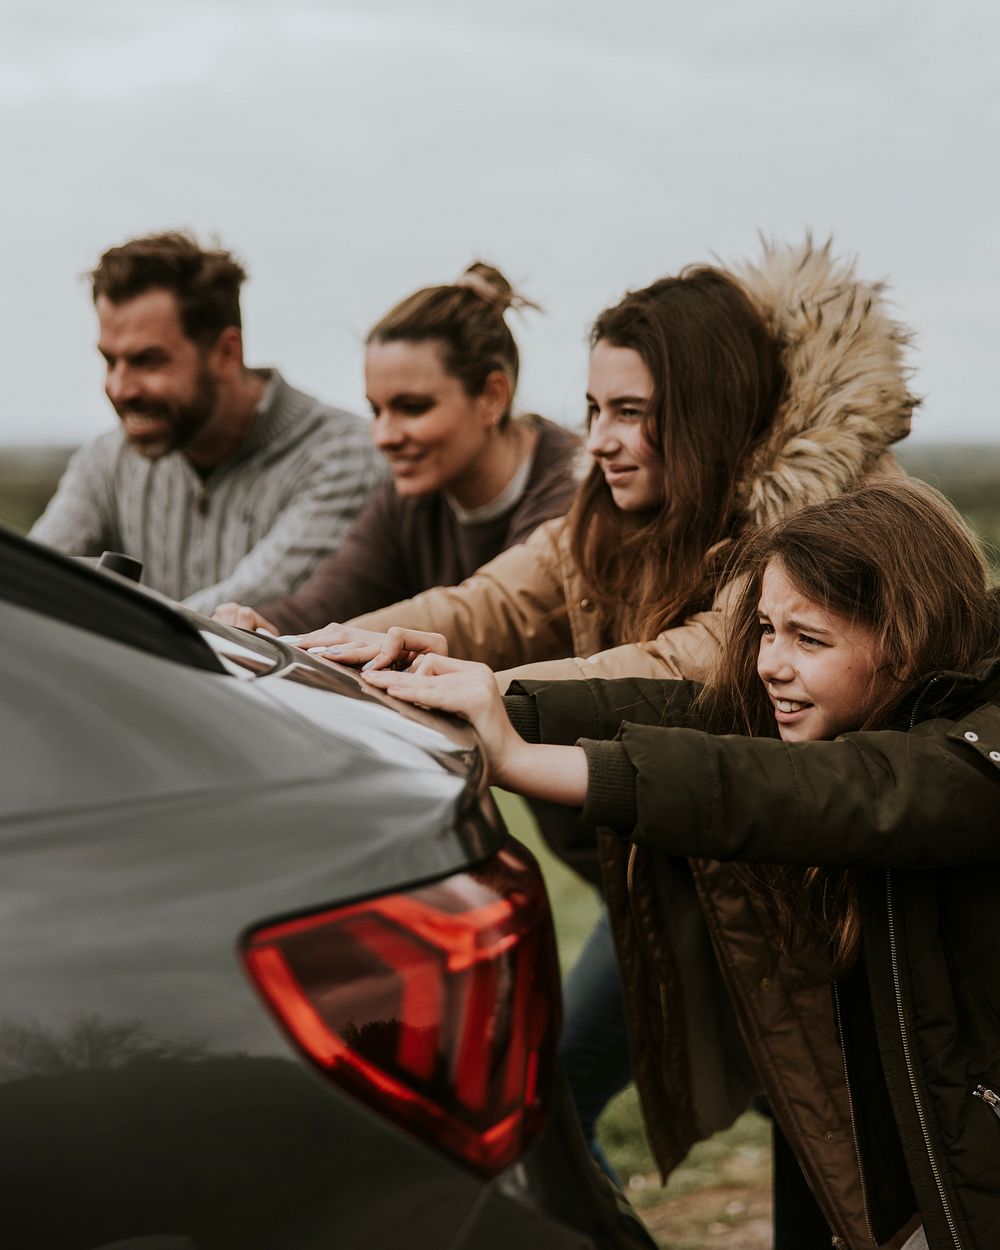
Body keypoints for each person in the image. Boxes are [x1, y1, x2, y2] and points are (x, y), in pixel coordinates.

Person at [284, 239, 918, 1176]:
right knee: (556, 1097)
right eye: (592, 410)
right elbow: (485, 604)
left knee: (853, 1165)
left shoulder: (825, 527)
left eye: (631, 412)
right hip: (690, 884)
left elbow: (700, 662)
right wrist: (315, 651)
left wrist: (486, 696)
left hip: (841, 900)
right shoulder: (608, 515)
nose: (601, 439)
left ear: (703, 416)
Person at [359, 479, 1000, 1250]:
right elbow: (686, 709)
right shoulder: (867, 703)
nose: (771, 663)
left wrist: (522, 761)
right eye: (765, 629)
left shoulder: (970, 759)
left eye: (809, 638)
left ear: (903, 638)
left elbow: (814, 793)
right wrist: (473, 695)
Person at [212, 263, 581, 633]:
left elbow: (496, 625)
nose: (383, 436)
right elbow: (323, 604)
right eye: (376, 410)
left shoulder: (573, 492)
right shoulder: (406, 500)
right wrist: (258, 628)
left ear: (492, 396)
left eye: (413, 407)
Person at [30, 231, 383, 613]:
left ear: (226, 353)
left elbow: (239, 615)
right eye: (110, 360)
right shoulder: (106, 459)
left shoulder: (344, 457)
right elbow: (28, 581)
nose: (118, 388)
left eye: (148, 361)